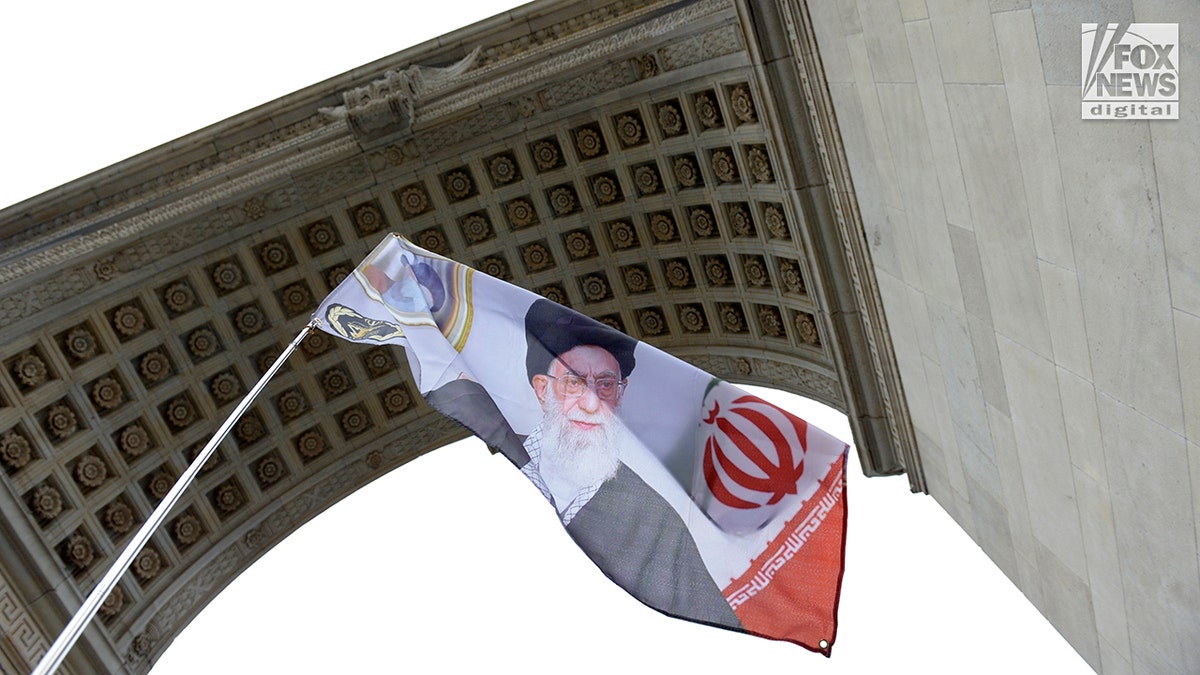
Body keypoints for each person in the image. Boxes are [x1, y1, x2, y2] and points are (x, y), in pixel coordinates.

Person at [425, 299, 742, 630]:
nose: (591, 403)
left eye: (605, 384)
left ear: (621, 392)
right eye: (574, 383)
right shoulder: (479, 403)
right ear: (542, 389)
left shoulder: (651, 499)